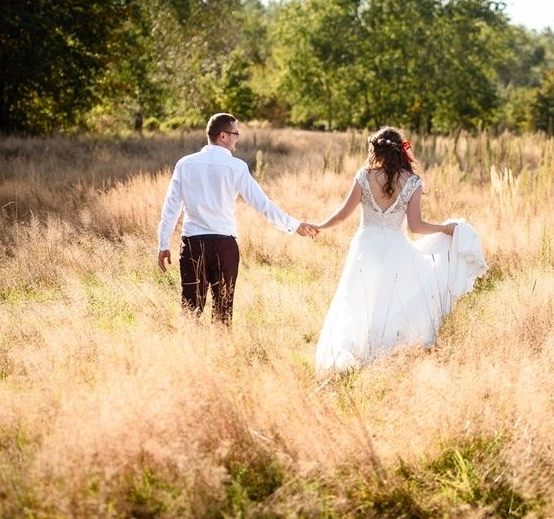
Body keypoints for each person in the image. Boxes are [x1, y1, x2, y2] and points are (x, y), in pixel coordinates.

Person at [310, 126, 487, 375]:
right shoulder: (412, 181)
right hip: (395, 247)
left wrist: (319, 226)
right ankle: (381, 352)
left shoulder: (364, 176)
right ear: (401, 150)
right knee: (388, 300)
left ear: (376, 150)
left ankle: (352, 352)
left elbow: (342, 215)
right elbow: (416, 226)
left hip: (365, 245)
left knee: (357, 299)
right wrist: (445, 229)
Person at [157, 113, 317, 325]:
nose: (238, 139)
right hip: (224, 247)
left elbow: (171, 208)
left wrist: (163, 243)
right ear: (223, 136)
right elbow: (263, 204)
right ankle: (221, 353)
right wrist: (295, 225)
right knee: (223, 312)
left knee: (190, 310)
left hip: (193, 245)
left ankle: (192, 353)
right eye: (236, 134)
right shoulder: (236, 167)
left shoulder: (185, 164)